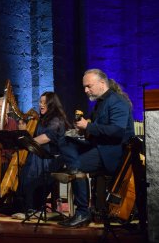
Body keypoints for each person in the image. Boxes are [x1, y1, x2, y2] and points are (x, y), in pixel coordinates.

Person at [52, 68, 135, 228]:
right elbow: (98, 128)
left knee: (77, 166)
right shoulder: (100, 103)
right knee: (65, 141)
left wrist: (88, 126)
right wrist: (82, 130)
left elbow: (117, 131)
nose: (85, 90)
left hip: (113, 152)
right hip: (100, 146)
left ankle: (83, 212)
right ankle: (68, 165)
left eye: (88, 86)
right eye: (84, 86)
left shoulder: (117, 101)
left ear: (102, 83)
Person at [13, 92, 70, 216]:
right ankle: (28, 205)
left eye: (44, 102)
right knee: (27, 168)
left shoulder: (56, 119)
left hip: (52, 158)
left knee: (32, 170)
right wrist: (24, 132)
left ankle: (32, 205)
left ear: (52, 104)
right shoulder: (42, 120)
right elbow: (35, 136)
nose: (41, 105)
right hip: (40, 154)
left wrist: (27, 142)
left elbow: (46, 138)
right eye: (40, 102)